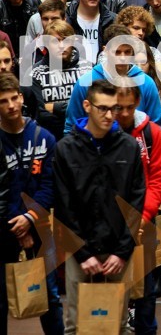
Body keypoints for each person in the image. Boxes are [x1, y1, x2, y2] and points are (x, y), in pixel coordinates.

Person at [54, 79, 145, 335]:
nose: (109, 115)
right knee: (75, 325)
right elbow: (63, 206)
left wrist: (123, 251)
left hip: (118, 250)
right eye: (102, 108)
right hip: (79, 251)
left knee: (118, 324)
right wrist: (83, 253)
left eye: (113, 108)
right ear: (86, 106)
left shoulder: (128, 146)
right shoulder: (66, 150)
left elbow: (135, 201)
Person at [0, 72, 63, 335]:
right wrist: (17, 224)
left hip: (38, 225)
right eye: (3, 101)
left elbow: (51, 186)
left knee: (50, 296)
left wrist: (28, 219)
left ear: (22, 98)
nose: (11, 105)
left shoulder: (44, 138)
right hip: (4, 229)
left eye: (14, 98)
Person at [113, 84, 161, 335]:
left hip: (144, 221)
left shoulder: (151, 132)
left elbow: (158, 179)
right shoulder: (103, 131)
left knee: (146, 287)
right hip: (110, 224)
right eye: (118, 108)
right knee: (111, 286)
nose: (123, 114)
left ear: (137, 104)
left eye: (129, 107)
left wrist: (144, 218)